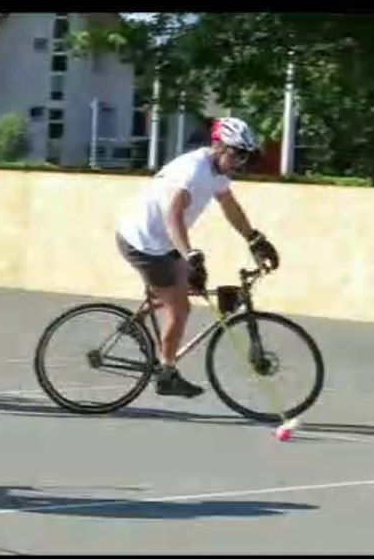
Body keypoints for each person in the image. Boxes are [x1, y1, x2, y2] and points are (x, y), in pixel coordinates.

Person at [115, 117, 280, 398]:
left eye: (244, 155)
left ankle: (136, 322)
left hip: (162, 242)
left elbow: (229, 204)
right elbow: (173, 215)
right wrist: (189, 255)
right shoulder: (193, 171)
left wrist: (254, 238)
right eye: (236, 153)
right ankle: (167, 374)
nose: (239, 161)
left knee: (188, 287)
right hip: (144, 243)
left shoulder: (218, 171)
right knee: (180, 309)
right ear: (217, 146)